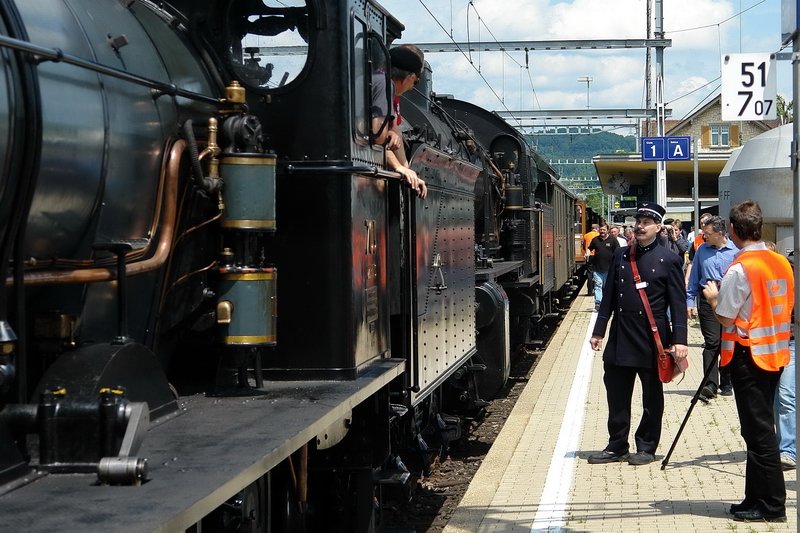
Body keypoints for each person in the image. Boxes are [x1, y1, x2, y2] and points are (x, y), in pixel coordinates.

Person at [702, 200, 792, 523]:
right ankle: (754, 498)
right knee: (759, 430)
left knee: (759, 435)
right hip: (775, 354)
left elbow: (725, 318)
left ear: (736, 232)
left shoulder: (740, 269)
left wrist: (713, 297)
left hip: (748, 355)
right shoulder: (781, 263)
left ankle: (772, 506)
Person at [588, 202, 688, 466]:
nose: (640, 226)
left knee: (651, 396)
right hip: (621, 336)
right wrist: (599, 332)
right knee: (616, 393)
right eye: (638, 221)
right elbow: (608, 295)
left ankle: (647, 446)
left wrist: (679, 340)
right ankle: (617, 444)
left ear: (658, 227)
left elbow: (677, 304)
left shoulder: (669, 260)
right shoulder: (622, 255)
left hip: (651, 338)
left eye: (646, 222)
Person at [685, 216, 737, 401]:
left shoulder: (736, 252)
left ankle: (727, 381)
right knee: (712, 342)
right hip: (707, 301)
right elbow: (694, 278)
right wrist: (689, 302)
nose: (704, 237)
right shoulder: (702, 251)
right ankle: (709, 384)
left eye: (708, 233)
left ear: (721, 233)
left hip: (730, 301)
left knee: (728, 342)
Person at [371, 44, 427, 198]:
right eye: (415, 82)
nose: (411, 88)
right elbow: (377, 137)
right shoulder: (384, 85)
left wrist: (407, 169)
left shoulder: (381, 83)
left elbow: (395, 132)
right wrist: (397, 166)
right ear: (409, 77)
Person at [588, 223, 619, 311]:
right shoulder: (595, 240)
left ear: (607, 230)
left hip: (609, 269)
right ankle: (598, 304)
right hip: (597, 268)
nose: (602, 231)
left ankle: (607, 304)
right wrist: (587, 254)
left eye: (603, 230)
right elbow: (590, 248)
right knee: (598, 285)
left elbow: (617, 251)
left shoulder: (613, 240)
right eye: (601, 230)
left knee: (607, 287)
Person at [582, 223, 600, 296]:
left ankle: (589, 291)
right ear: (597, 228)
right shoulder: (599, 235)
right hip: (597, 256)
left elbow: (583, 246)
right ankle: (597, 290)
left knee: (590, 274)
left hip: (589, 256)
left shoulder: (586, 235)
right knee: (598, 273)